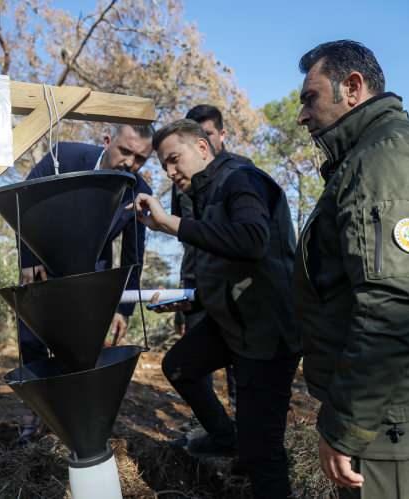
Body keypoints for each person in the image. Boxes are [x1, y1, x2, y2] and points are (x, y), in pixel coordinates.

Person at [293, 40, 409, 498]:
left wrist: (347, 426)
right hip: (384, 403)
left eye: (309, 98)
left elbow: (392, 304)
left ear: (352, 88)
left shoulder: (387, 159)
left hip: (391, 406)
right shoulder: (368, 155)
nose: (302, 116)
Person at [132, 119, 302, 498]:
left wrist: (171, 224)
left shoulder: (241, 180)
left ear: (204, 147)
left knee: (263, 453)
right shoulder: (207, 195)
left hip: (268, 333)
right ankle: (225, 438)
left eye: (175, 159)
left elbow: (252, 241)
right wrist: (189, 298)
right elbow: (229, 267)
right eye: (164, 166)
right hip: (232, 323)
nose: (171, 172)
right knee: (179, 367)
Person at [17, 124, 154, 365]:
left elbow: (134, 253)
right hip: (41, 266)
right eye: (124, 151)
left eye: (140, 158)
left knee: (81, 354)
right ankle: (41, 401)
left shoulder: (141, 192)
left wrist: (124, 307)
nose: (130, 163)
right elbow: (23, 200)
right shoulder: (64, 156)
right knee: (32, 346)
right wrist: (28, 257)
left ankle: (73, 401)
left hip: (94, 278)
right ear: (107, 140)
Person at [171, 104, 247, 409]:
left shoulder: (244, 172)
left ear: (222, 135)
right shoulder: (181, 183)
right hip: (196, 285)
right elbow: (185, 238)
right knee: (192, 362)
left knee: (239, 362)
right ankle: (205, 428)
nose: (203, 142)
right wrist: (183, 290)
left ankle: (243, 423)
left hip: (234, 288)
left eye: (209, 134)